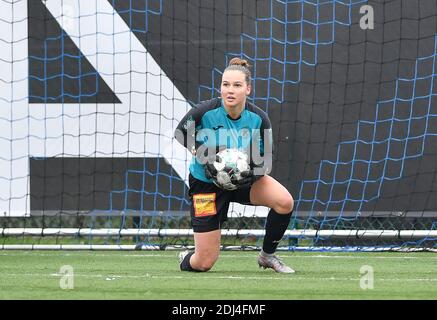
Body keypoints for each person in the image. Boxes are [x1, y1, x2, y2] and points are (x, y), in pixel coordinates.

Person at [174, 57, 295, 273]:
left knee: (284, 201)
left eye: (237, 85)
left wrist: (253, 175)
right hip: (206, 185)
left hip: (241, 181)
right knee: (203, 263)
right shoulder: (205, 111)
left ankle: (267, 256)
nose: (230, 90)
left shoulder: (259, 118)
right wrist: (203, 152)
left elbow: (265, 159)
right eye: (225, 84)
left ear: (248, 89)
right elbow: (181, 133)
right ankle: (187, 256)